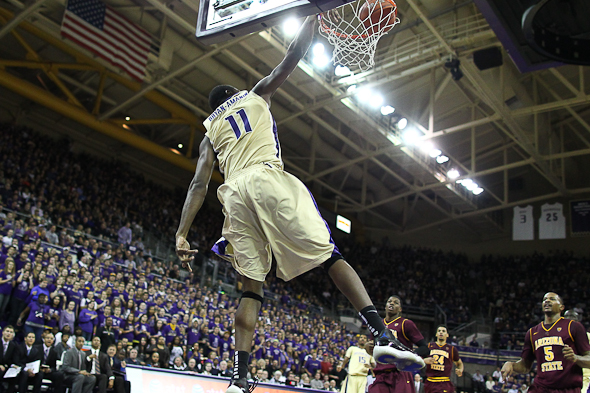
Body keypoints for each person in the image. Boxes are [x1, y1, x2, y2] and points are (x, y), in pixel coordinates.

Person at [175, 14, 423, 393]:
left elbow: (197, 184)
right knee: (329, 256)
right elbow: (294, 53)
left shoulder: (209, 133)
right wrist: (314, 14)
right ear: (234, 94)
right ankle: (381, 335)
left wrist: (182, 233)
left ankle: (240, 377)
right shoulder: (256, 94)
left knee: (250, 288)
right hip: (266, 176)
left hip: (234, 196)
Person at [501, 292, 590, 392]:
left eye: (552, 299)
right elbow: (525, 366)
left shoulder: (573, 327)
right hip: (541, 388)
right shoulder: (532, 332)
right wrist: (511, 365)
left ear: (561, 307)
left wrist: (576, 358)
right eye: (544, 299)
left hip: (567, 388)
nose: (547, 301)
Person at [366, 296, 429, 393]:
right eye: (389, 301)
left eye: (396, 303)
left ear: (400, 309)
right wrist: (368, 348)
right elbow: (373, 349)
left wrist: (410, 354)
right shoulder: (378, 325)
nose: (391, 303)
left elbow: (424, 348)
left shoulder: (406, 324)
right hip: (381, 373)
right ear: (385, 306)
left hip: (401, 372)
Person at [423, 325, 463, 393]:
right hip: (429, 382)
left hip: (443, 382)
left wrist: (460, 370)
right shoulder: (429, 346)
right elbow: (417, 360)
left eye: (443, 331)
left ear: (447, 335)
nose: (441, 332)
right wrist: (424, 360)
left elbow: (459, 363)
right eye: (439, 331)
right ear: (436, 334)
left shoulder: (452, 349)